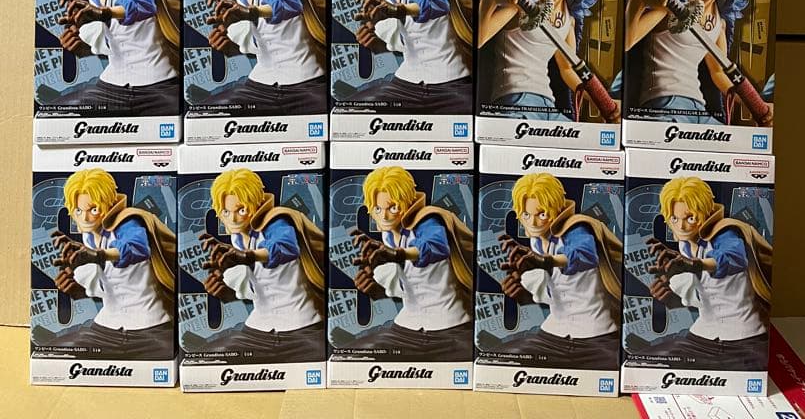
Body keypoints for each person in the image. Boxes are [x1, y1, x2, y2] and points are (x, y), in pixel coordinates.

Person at [625, 0, 772, 126]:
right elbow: (627, 42)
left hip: (699, 109)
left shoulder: (719, 20)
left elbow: (719, 72)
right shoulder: (672, 3)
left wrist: (754, 104)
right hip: (665, 104)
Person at [626, 176, 771, 370]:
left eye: (690, 218)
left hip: (743, 337)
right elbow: (707, 295)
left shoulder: (725, 234)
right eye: (674, 218)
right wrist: (674, 299)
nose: (681, 226)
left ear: (704, 213)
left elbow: (732, 259)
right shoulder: (685, 245)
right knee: (644, 360)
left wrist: (696, 264)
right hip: (704, 334)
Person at [479, 0, 619, 122]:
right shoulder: (521, 1)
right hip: (515, 101)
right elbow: (479, 38)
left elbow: (568, 69)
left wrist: (604, 102)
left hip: (547, 105)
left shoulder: (569, 17)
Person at [492, 172, 622, 369]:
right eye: (526, 215)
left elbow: (584, 256)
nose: (533, 223)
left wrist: (546, 261)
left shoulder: (576, 229)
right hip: (553, 334)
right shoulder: (537, 242)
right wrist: (524, 293)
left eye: (542, 214)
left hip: (596, 335)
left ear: (556, 210)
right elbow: (557, 293)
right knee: (500, 361)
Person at [192, 168, 324, 362]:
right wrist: (228, 292)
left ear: (255, 204)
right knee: (205, 358)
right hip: (259, 328)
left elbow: (285, 248)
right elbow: (260, 286)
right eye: (226, 212)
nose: (233, 219)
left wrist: (248, 256)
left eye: (241, 210)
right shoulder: (238, 238)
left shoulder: (276, 222)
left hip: (302, 326)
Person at [342, 165, 473, 361]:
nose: (384, 216)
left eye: (392, 207)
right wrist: (376, 286)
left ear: (407, 203)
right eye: (378, 209)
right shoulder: (388, 236)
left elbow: (435, 247)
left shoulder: (428, 221)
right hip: (408, 325)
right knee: (352, 356)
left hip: (450, 325)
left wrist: (398, 254)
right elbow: (409, 284)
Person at [47, 168, 175, 358]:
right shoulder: (89, 237)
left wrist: (99, 255)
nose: (85, 218)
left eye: (93, 209)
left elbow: (137, 249)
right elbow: (112, 286)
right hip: (107, 327)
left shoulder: (128, 222)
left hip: (150, 326)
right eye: (78, 211)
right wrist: (78, 287)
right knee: (55, 352)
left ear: (107, 204)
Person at [54, 0, 180, 116]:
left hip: (157, 83)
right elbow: (119, 41)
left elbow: (142, 6)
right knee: (60, 112)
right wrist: (83, 46)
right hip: (113, 84)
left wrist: (104, 13)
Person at [200, 0, 326, 114]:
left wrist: (251, 13)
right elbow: (267, 40)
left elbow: (288, 5)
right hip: (262, 82)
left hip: (304, 80)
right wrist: (233, 45)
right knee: (210, 110)